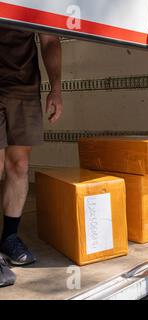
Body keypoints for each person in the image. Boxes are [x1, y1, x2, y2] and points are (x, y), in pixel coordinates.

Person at [0, 26, 62, 288]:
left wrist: (56, 88)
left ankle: (10, 238)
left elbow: (49, 40)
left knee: (19, 165)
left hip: (23, 87)